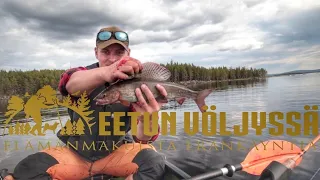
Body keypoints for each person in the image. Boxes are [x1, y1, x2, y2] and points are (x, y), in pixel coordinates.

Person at [1, 26, 168, 180]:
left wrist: (150, 118)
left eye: (119, 53)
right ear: (96, 53)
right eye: (105, 52)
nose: (112, 59)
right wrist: (107, 72)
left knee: (154, 162)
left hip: (115, 154)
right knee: (27, 169)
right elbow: (70, 84)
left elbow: (142, 138)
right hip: (75, 155)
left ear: (128, 53)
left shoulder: (137, 87)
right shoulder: (82, 75)